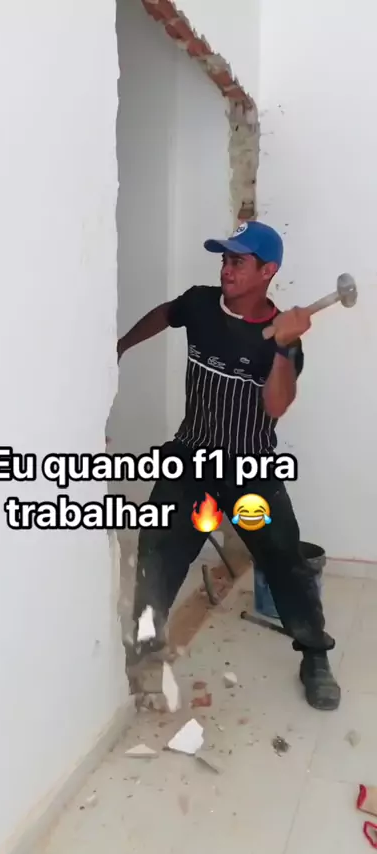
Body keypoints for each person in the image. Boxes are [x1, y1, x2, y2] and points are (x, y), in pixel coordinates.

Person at [117, 220, 340, 712]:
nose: (226, 269)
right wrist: (120, 346)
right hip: (191, 458)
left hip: (249, 470)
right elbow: (165, 314)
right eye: (224, 259)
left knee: (284, 561)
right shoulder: (200, 304)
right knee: (158, 549)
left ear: (267, 271)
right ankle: (146, 647)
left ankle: (315, 655)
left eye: (238, 261)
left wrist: (281, 348)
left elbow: (277, 405)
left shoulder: (283, 338)